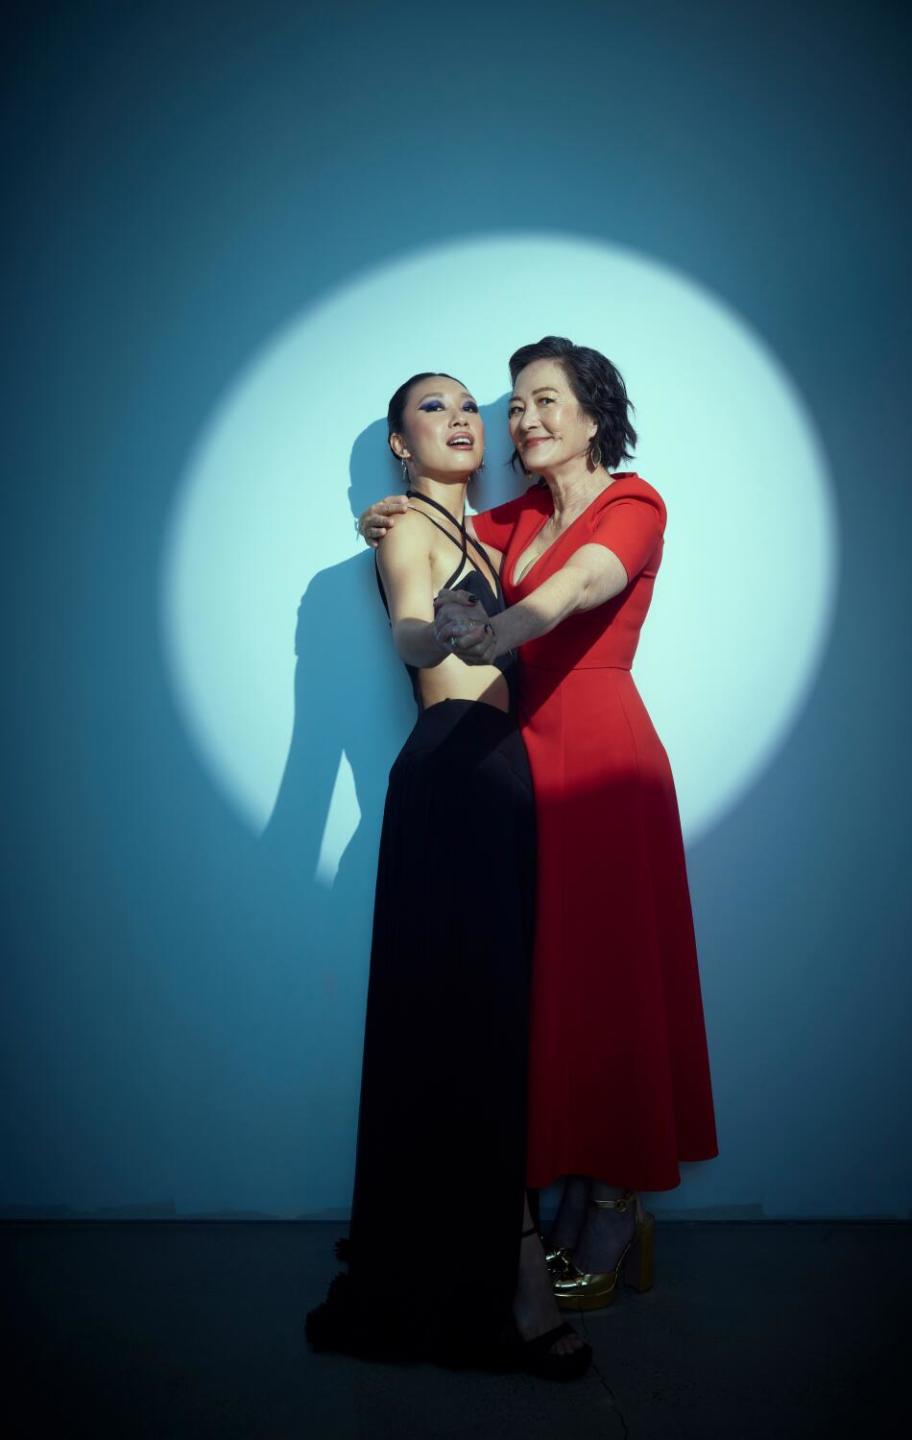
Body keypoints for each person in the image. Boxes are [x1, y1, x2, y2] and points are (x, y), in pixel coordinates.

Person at [360, 338, 719, 1310]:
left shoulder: (631, 505)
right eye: (515, 405)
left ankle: (614, 1208)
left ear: (594, 415)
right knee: (549, 993)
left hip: (603, 762)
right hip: (519, 766)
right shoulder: (515, 515)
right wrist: (379, 516)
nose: (524, 420)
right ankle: (566, 1200)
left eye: (546, 400)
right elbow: (445, 532)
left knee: (614, 988)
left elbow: (574, 591)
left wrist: (500, 629)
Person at [304, 372, 591, 1377]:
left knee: (492, 1028)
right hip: (454, 775)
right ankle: (515, 1289)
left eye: (473, 405)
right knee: (472, 1031)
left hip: (497, 781)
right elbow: (411, 626)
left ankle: (491, 1273)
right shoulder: (408, 532)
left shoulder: (491, 535)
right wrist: (445, 632)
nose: (464, 418)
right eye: (433, 407)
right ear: (397, 443)